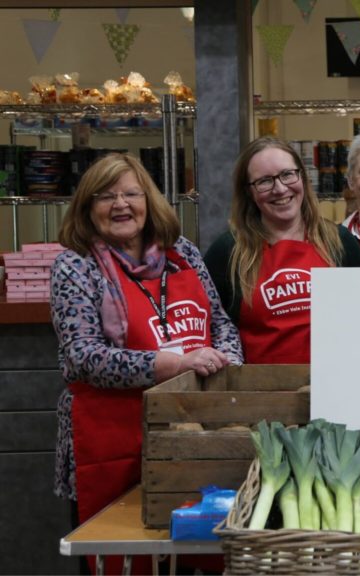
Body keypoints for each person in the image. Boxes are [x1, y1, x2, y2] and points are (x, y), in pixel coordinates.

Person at [49, 153, 243, 568]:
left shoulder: (183, 253)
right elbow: (83, 357)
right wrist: (173, 365)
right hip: (112, 437)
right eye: (105, 196)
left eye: (130, 193)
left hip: (193, 433)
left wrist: (227, 360)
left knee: (195, 554)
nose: (120, 204)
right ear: (87, 208)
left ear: (148, 200)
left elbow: (221, 321)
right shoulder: (75, 265)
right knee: (121, 553)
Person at [205, 136, 360, 364]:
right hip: (257, 393)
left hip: (332, 387)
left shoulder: (341, 243)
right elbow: (211, 327)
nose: (280, 189)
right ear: (249, 191)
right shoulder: (227, 252)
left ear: (302, 176)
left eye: (287, 175)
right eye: (265, 181)